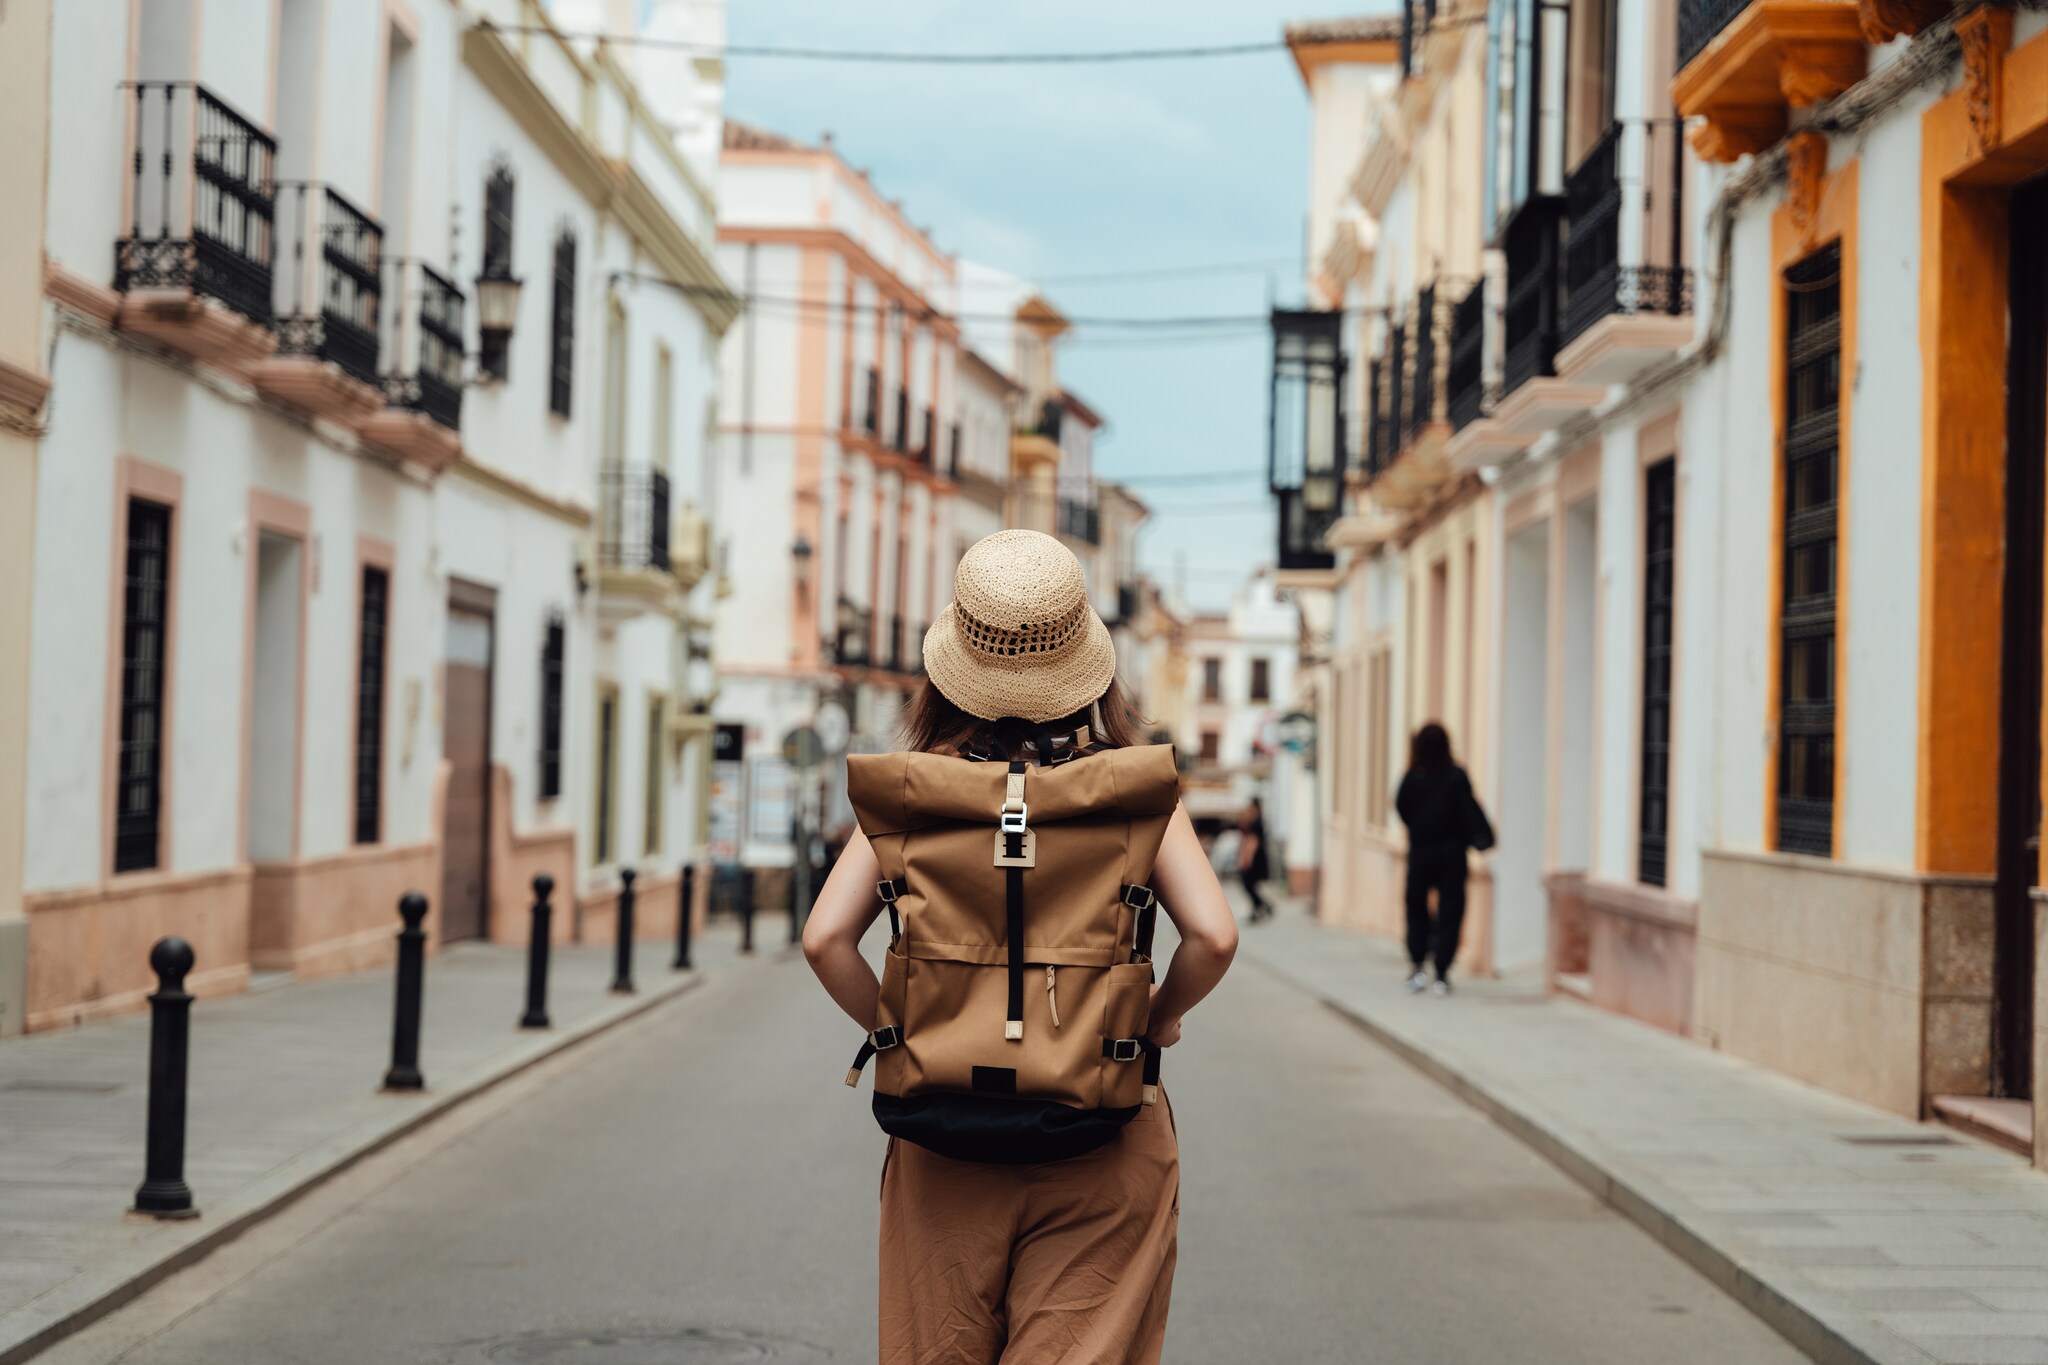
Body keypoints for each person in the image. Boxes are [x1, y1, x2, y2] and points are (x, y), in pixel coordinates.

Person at [802, 530, 1238, 1365]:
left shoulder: (915, 788)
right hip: (1101, 1125)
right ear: (1085, 657)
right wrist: (1151, 1020)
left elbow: (826, 939)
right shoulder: (1132, 790)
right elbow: (1214, 935)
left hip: (944, 1139)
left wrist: (904, 1033)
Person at [1394, 722, 1493, 996]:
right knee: (1451, 910)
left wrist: (1420, 826)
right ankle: (1441, 971)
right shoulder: (1455, 776)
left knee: (1416, 907)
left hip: (1422, 852)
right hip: (1452, 853)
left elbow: (1401, 808)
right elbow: (1469, 808)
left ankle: (1417, 965)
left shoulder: (1413, 778)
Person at [1237, 796, 1273, 923]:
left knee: (1248, 884)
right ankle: (1262, 907)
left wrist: (1247, 859)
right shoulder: (1258, 821)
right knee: (1250, 885)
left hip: (1254, 858)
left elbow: (1253, 842)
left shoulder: (1255, 823)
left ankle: (1260, 908)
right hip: (1258, 857)